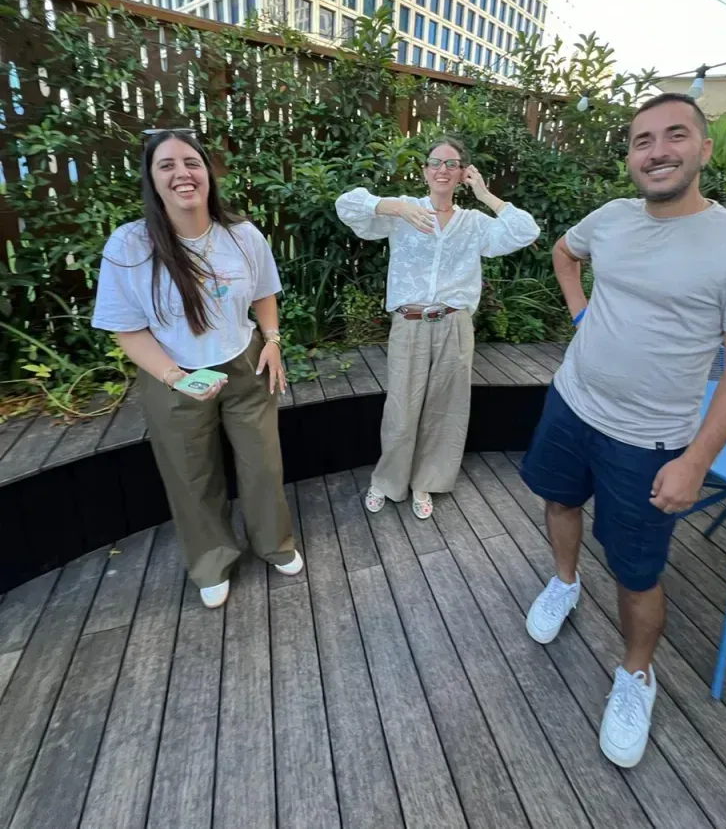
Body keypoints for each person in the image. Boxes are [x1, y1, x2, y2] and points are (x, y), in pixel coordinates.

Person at [520, 93, 726, 768]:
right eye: (643, 139)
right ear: (630, 156)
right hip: (572, 403)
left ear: (702, 149)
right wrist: (580, 313)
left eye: (675, 135)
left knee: (637, 573)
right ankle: (564, 580)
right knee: (556, 502)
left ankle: (636, 675)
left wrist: (697, 458)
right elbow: (563, 251)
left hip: (652, 439)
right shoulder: (610, 219)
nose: (657, 149)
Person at [92, 129, 303, 609]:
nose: (181, 174)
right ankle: (211, 560)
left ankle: (274, 544)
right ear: (151, 179)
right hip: (174, 375)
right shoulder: (129, 246)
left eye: (190, 162)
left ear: (207, 172)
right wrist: (176, 378)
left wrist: (271, 340)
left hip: (246, 364)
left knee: (263, 464)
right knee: (190, 475)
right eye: (166, 165)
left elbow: (264, 293)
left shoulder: (242, 234)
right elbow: (127, 330)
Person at [336, 135, 540, 519]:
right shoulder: (404, 212)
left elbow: (525, 231)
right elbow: (347, 206)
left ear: (464, 172)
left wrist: (486, 195)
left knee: (445, 409)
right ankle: (387, 480)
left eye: (452, 164)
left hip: (454, 324)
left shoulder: (474, 223)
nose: (442, 170)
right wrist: (393, 206)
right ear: (424, 171)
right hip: (410, 324)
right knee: (401, 406)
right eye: (435, 162)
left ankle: (426, 481)